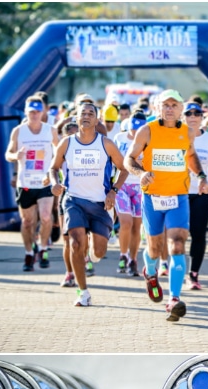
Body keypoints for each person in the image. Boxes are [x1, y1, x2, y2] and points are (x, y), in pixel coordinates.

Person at [123, 89, 207, 322]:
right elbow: (129, 159)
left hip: (178, 197)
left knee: (178, 245)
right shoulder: (147, 131)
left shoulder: (187, 132)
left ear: (181, 109)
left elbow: (190, 156)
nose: (170, 108)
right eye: (165, 105)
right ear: (157, 107)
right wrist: (140, 173)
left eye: (174, 105)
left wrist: (201, 176)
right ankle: (150, 272)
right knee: (154, 249)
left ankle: (174, 299)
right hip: (152, 198)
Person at [47, 102, 128, 307]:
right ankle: (82, 292)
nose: (86, 116)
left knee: (99, 252)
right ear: (77, 118)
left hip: (100, 204)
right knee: (75, 243)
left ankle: (93, 252)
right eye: (82, 113)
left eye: (90, 113)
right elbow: (53, 168)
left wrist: (113, 190)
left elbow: (124, 168)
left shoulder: (106, 143)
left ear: (96, 119)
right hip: (74, 200)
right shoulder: (66, 143)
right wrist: (55, 183)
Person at [6, 95, 58, 271]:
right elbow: (8, 154)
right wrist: (16, 156)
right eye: (31, 112)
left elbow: (59, 153)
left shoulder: (50, 130)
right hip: (25, 182)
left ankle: (43, 249)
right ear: (26, 112)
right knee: (27, 221)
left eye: (37, 111)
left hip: (44, 182)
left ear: (42, 112)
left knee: (45, 216)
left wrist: (56, 172)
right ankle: (29, 253)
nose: (34, 115)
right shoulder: (18, 131)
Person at [183, 102, 208, 289]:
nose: (192, 117)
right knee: (178, 235)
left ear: (201, 117)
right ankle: (174, 268)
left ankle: (193, 275)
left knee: (198, 235)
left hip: (201, 192)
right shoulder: (176, 136)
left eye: (196, 114)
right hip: (178, 192)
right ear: (183, 117)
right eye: (188, 113)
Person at [112, 113, 147, 277]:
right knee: (126, 222)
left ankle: (133, 259)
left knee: (137, 226)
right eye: (132, 129)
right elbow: (113, 159)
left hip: (140, 186)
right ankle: (123, 255)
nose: (134, 133)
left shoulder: (148, 139)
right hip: (123, 185)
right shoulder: (120, 138)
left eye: (138, 130)